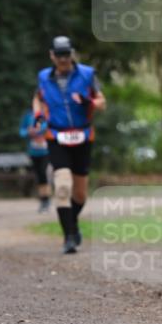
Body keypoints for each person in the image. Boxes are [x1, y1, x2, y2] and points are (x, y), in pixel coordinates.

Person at [33, 35, 106, 253]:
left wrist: (89, 101)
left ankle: (72, 225)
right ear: (52, 56)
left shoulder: (87, 74)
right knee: (63, 186)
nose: (63, 59)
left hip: (83, 136)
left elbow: (102, 102)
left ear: (71, 54)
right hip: (57, 136)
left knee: (80, 195)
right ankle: (69, 238)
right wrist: (38, 113)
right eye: (59, 55)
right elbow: (38, 97)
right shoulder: (44, 76)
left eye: (67, 54)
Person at [19, 109, 51, 212]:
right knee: (39, 175)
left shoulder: (46, 113)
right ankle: (43, 200)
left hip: (46, 151)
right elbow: (22, 131)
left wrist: (38, 130)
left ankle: (46, 199)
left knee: (43, 173)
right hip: (33, 152)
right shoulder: (28, 115)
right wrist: (27, 132)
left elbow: (47, 126)